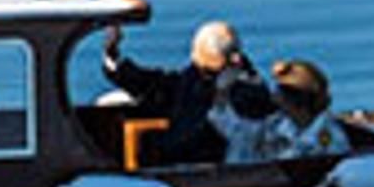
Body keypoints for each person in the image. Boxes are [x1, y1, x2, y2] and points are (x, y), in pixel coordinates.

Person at [98, 14, 270, 163]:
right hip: (183, 151)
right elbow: (155, 84)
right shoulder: (195, 77)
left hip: (200, 163)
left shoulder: (244, 89)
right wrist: (114, 59)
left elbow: (253, 110)